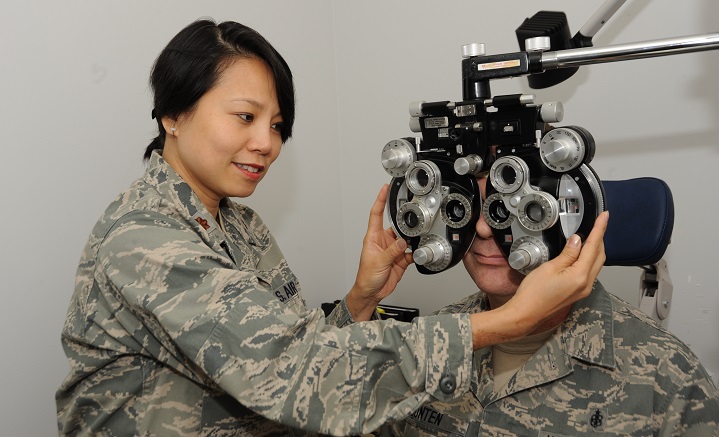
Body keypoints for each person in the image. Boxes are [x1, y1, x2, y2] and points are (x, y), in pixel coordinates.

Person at [56, 19, 609, 436]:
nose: (266, 143)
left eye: (276, 125)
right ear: (172, 116)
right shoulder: (147, 239)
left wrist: (361, 296)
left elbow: (294, 349)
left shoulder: (237, 223)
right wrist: (511, 321)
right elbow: (302, 377)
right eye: (245, 117)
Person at [379, 176, 719, 436]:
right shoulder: (430, 339)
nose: (482, 228)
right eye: (466, 208)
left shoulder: (665, 373)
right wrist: (361, 302)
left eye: (507, 208)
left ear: (565, 219)